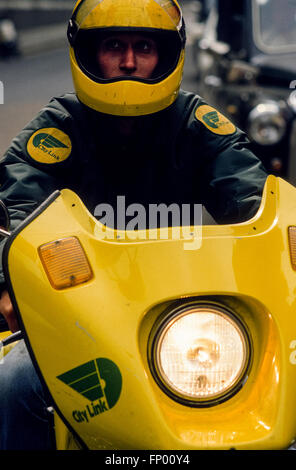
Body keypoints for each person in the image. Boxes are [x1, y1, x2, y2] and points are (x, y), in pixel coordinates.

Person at [0, 0, 267, 450]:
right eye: (113, 46)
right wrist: (6, 279)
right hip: (79, 327)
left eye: (143, 46)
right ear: (87, 53)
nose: (128, 62)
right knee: (14, 385)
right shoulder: (54, 133)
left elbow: (257, 197)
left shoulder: (196, 125)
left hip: (197, 320)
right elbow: (16, 208)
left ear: (166, 54)